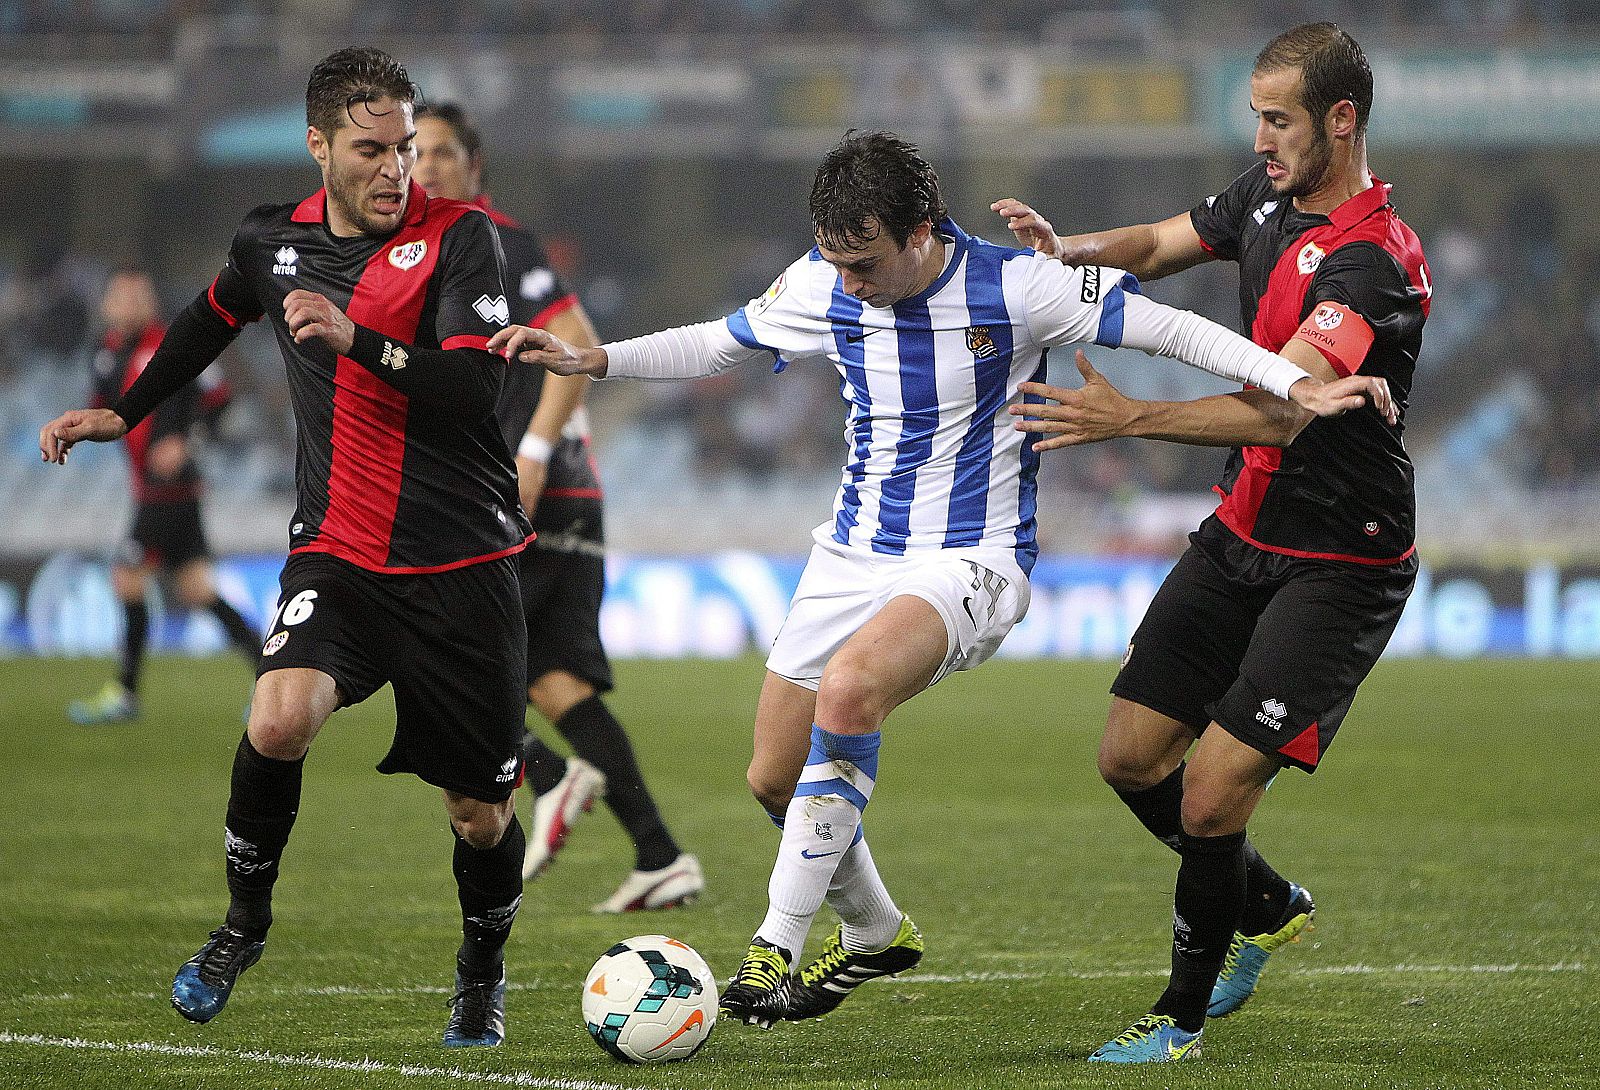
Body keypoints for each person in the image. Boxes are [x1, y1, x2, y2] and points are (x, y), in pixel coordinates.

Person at [492, 130, 1391, 1029]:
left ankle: (773, 945)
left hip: (975, 557)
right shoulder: (822, 282)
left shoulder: (1019, 284)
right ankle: (876, 931)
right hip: (850, 555)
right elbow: (722, 341)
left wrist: (1291, 383)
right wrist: (596, 360)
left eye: (865, 262)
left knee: (848, 693)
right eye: (836, 262)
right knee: (773, 775)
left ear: (921, 231)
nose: (848, 282)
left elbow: (1175, 329)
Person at [39, 47, 533, 1048]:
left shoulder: (462, 240)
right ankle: (241, 927)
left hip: (464, 567)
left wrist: (358, 340)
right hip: (340, 555)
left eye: (406, 148)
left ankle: (480, 970)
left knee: (478, 816)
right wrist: (124, 412)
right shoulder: (271, 243)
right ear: (318, 147)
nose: (398, 170)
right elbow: (207, 319)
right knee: (277, 717)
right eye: (372, 150)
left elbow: (474, 388)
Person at [994, 22, 1430, 1063]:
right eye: (1255, 120)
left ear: (1341, 120)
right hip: (1243, 526)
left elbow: (1289, 408)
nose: (1261, 140)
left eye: (1277, 121)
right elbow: (1150, 247)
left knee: (1210, 787)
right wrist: (1066, 254)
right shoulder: (1268, 195)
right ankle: (1267, 903)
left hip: (1340, 560)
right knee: (1129, 756)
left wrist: (1131, 417)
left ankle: (1178, 1019)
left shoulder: (1373, 263)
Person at [412, 102, 703, 912]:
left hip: (531, 486)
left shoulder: (493, 240)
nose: (425, 167)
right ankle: (659, 853)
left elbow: (572, 338)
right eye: (415, 153)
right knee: (549, 677)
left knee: (425, 639)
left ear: (475, 167)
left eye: (441, 152)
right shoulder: (432, 252)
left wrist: (531, 452)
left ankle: (548, 776)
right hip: (552, 489)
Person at [66, 266, 262, 726]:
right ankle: (269, 673)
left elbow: (221, 403)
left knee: (126, 577)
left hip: (172, 489)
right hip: (147, 489)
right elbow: (102, 413)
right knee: (197, 590)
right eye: (122, 296)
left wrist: (187, 440)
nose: (130, 304)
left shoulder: (177, 343)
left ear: (151, 302)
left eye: (139, 296)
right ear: (107, 304)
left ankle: (126, 693)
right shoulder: (105, 354)